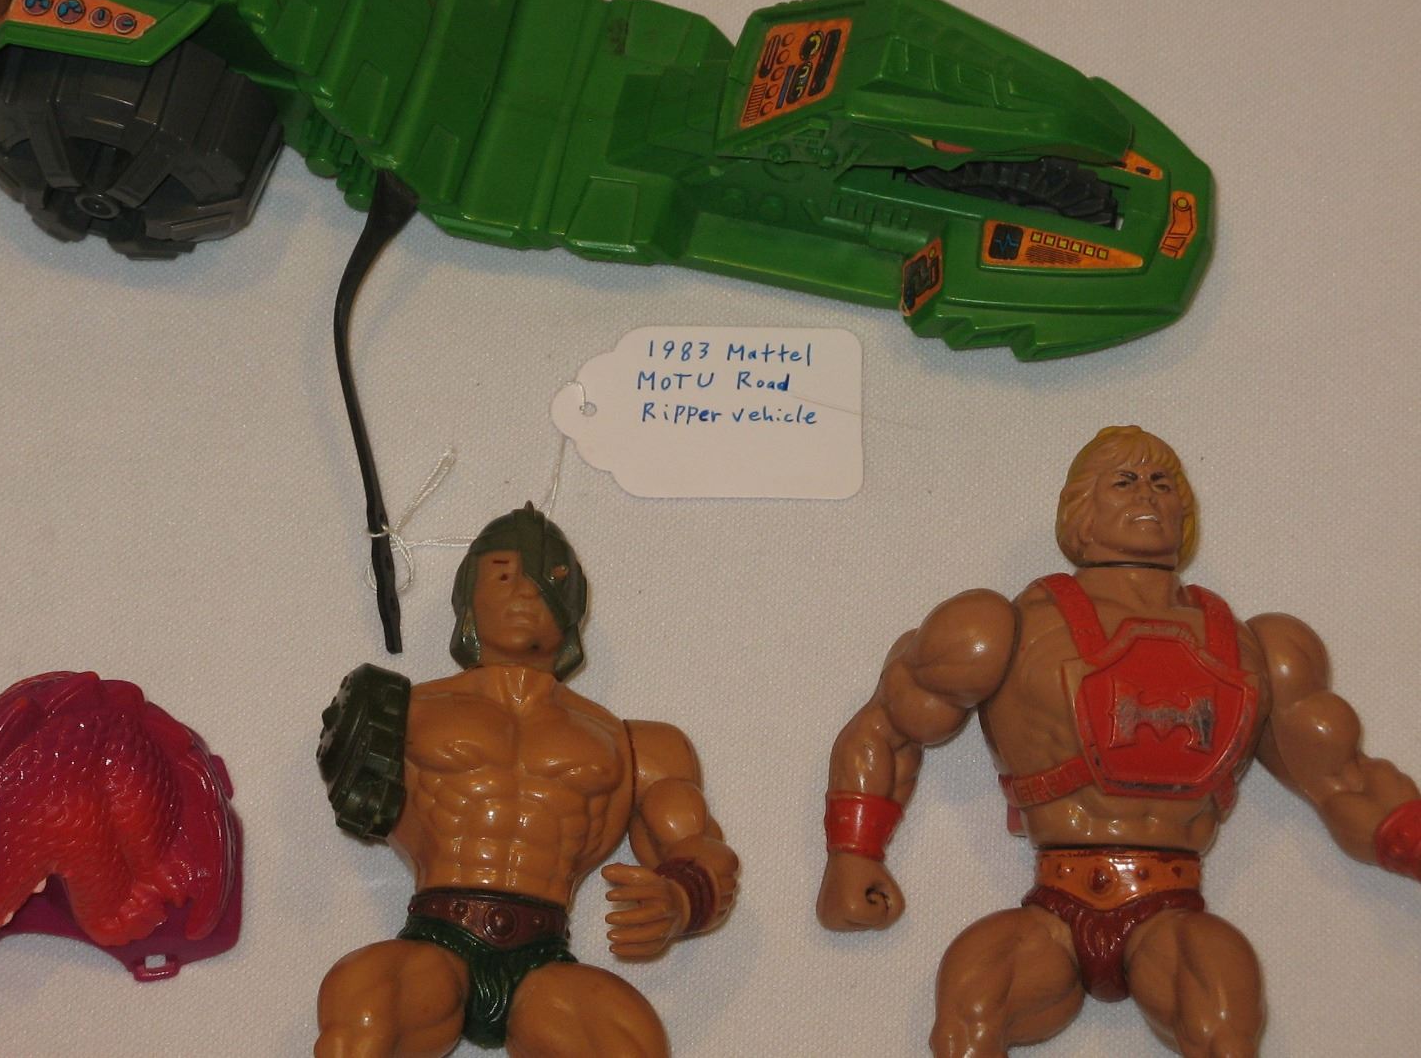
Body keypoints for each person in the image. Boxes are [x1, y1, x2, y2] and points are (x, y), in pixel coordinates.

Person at [817, 426, 1419, 1056]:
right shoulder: (1002, 627)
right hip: (1051, 907)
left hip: (1172, 910)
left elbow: (1343, 780)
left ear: (1185, 511)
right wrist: (852, 854)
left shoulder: (1258, 647)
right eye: (1125, 481)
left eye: (1163, 483)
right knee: (969, 1013)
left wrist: (1408, 843)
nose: (1148, 495)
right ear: (1080, 507)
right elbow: (887, 728)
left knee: (1224, 1023)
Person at [317, 505, 738, 1057]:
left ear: (572, 605)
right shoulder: (400, 712)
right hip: (432, 945)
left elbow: (701, 849)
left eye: (547, 579)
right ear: (468, 595)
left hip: (546, 963)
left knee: (629, 1044)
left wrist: (680, 899)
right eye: (502, 575)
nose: (523, 592)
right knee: (362, 1019)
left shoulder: (639, 746)